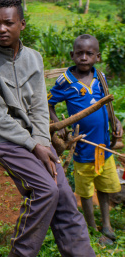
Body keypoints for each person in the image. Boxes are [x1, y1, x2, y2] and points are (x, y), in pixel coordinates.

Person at [0, 0, 95, 257]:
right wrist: (33, 145)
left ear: (22, 24)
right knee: (45, 189)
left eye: (8, 23)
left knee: (63, 195)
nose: (1, 29)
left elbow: (40, 106)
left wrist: (42, 141)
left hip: (35, 138)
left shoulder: (34, 58)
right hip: (2, 138)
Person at [48, 34, 123, 245]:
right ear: (72, 55)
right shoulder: (65, 81)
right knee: (86, 191)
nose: (83, 57)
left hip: (104, 147)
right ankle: (91, 227)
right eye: (79, 53)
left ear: (97, 56)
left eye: (89, 54)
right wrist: (58, 126)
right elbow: (49, 104)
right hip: (82, 148)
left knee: (105, 187)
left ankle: (106, 224)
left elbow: (108, 107)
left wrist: (116, 122)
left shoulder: (101, 78)